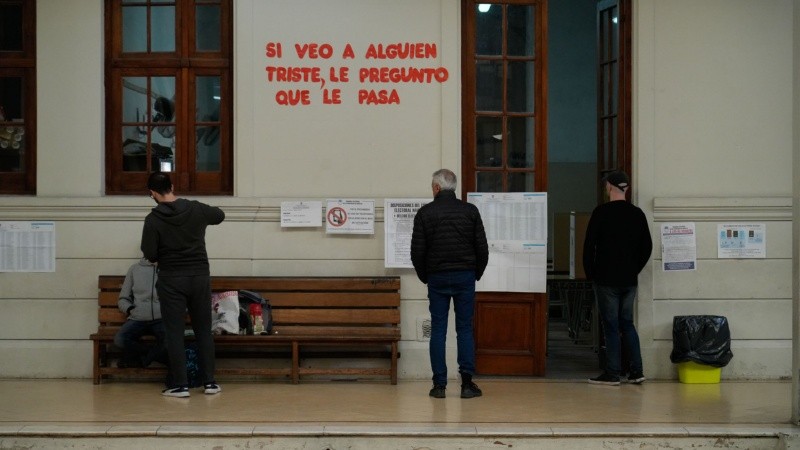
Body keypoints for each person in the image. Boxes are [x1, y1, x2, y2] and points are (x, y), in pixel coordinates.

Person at [141, 172, 225, 398]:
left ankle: (180, 385)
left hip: (171, 280)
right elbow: (219, 215)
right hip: (199, 277)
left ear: (152, 193)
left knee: (174, 333)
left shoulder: (153, 219)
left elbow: (149, 253)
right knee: (203, 330)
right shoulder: (195, 208)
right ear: (172, 186)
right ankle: (210, 383)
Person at [410, 169, 489, 399]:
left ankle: (439, 386)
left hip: (437, 277)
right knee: (464, 329)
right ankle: (466, 384)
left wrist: (426, 276)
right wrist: (476, 274)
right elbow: (482, 249)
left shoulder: (425, 213)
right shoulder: (470, 211)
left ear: (436, 187)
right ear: (452, 187)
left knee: (438, 330)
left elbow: (417, 252)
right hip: (465, 276)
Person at [583, 170, 652, 386]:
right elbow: (647, 247)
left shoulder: (601, 213)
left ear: (610, 187)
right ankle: (636, 371)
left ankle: (612, 373)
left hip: (605, 279)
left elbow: (588, 247)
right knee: (627, 324)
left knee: (610, 326)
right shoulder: (637, 214)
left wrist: (590, 274)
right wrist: (634, 269)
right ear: (627, 188)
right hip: (629, 281)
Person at [114, 257, 167, 369]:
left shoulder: (170, 268)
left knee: (170, 340)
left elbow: (179, 297)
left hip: (162, 319)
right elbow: (123, 298)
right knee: (120, 339)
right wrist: (130, 309)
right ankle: (151, 354)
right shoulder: (134, 269)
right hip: (137, 318)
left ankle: (141, 360)